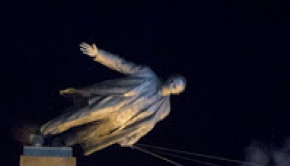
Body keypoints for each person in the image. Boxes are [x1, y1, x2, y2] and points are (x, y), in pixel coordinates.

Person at [39, 42, 186, 155]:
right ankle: (43, 132)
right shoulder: (147, 75)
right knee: (75, 117)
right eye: (174, 80)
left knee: (83, 134)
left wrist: (132, 138)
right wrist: (98, 54)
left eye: (176, 86)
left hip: (118, 122)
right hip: (110, 104)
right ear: (169, 77)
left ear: (177, 93)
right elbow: (121, 64)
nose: (172, 84)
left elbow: (147, 125)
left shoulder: (165, 109)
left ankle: (59, 144)